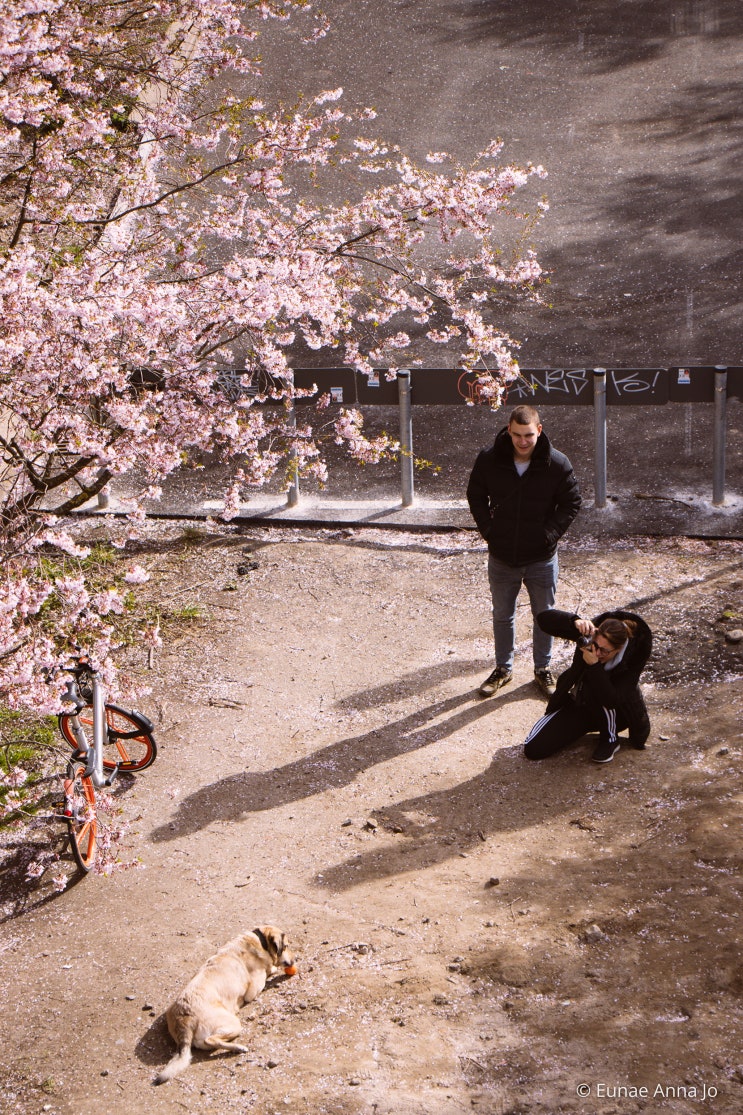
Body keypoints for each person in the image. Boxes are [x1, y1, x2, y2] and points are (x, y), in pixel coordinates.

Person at [466, 404, 581, 698]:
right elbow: (476, 495)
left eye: (528, 435)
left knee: (545, 616)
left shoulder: (557, 463)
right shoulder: (490, 459)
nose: (523, 441)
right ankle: (503, 668)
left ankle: (542, 669)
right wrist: (489, 532)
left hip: (541, 558)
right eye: (517, 435)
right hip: (502, 557)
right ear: (508, 430)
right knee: (502, 616)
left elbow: (571, 502)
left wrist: (549, 535)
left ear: (538, 431)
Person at [523, 608, 652, 763]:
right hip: (582, 703)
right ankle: (584, 726)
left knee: (596, 681)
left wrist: (594, 666)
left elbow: (612, 700)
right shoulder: (590, 634)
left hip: (617, 712)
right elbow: (543, 619)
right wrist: (574, 621)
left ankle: (609, 738)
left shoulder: (637, 651)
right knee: (534, 749)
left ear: (619, 649)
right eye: (595, 646)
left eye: (604, 651)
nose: (597, 653)